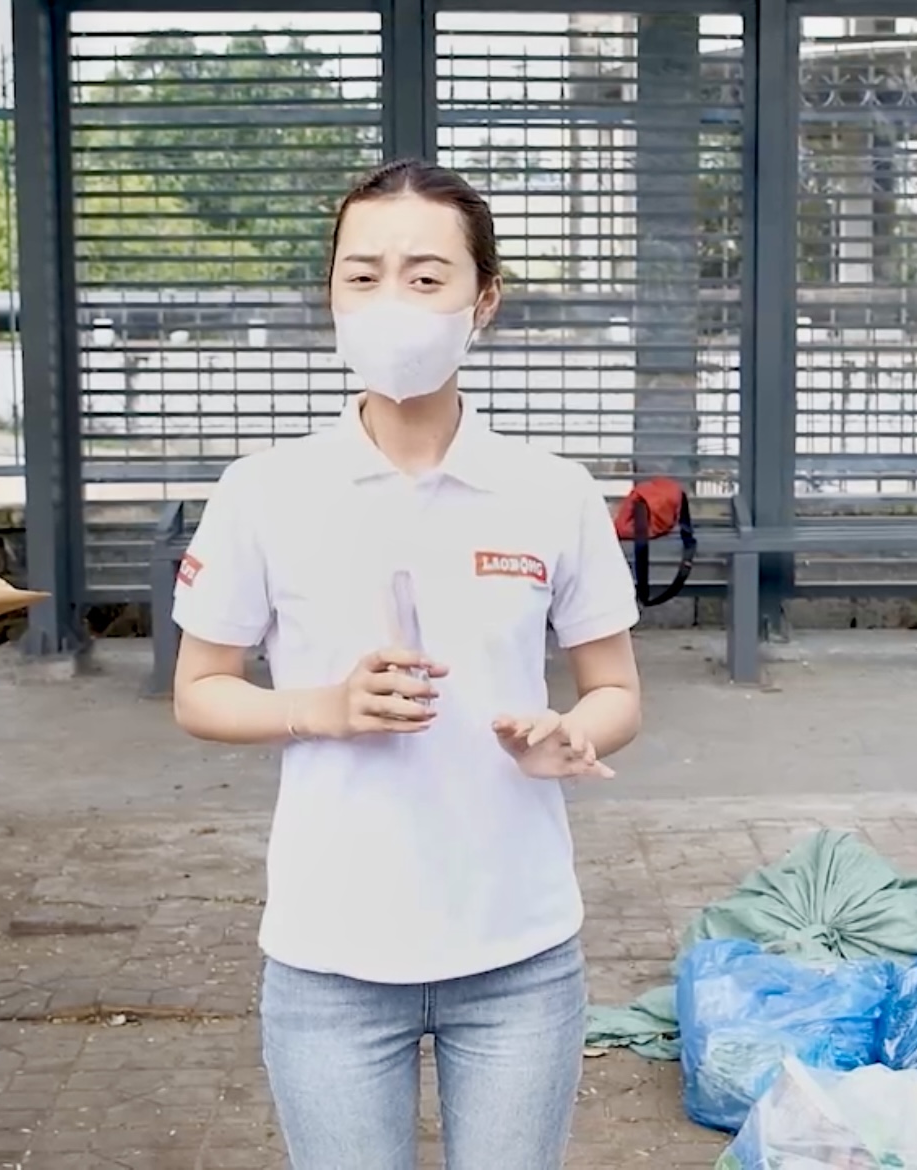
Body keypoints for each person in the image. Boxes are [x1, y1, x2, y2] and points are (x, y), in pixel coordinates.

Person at [169, 158, 644, 1169]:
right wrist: (322, 708)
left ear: (484, 300)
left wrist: (570, 734)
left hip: (517, 954)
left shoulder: (549, 491)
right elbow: (200, 692)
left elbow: (614, 692)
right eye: (363, 275)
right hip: (329, 960)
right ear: (332, 296)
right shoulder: (265, 491)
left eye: (426, 277)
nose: (392, 302)